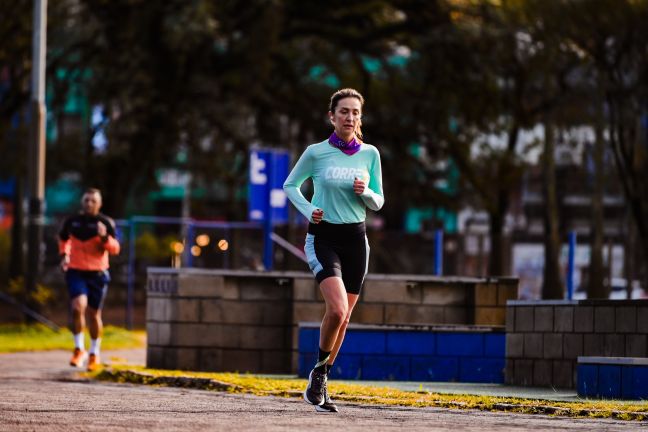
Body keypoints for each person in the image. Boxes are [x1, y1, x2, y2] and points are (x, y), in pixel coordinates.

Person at [283, 88, 384, 412]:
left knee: (344, 319)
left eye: (355, 112)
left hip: (356, 240)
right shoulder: (316, 152)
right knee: (337, 309)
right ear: (332, 116)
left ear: (360, 117)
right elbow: (290, 185)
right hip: (323, 238)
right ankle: (320, 373)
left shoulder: (371, 154)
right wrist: (306, 208)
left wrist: (366, 191)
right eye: (343, 111)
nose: (349, 117)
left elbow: (379, 202)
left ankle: (320, 376)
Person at [58, 188, 120, 371]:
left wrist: (103, 238)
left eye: (93, 201)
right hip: (76, 271)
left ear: (99, 204)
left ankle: (94, 353)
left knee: (93, 314)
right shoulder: (72, 221)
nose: (89, 204)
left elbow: (115, 249)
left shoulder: (106, 223)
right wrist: (64, 255)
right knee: (78, 307)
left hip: (98, 274)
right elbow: (63, 239)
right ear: (82, 202)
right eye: (86, 200)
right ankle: (79, 349)